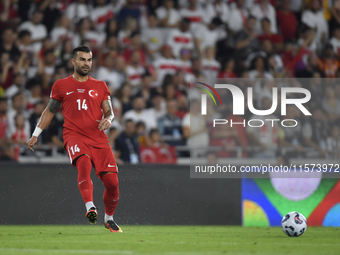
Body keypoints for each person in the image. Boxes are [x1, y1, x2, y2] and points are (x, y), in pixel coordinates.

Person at [26, 45, 122, 233]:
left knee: (113, 184)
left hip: (98, 138)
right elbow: (49, 111)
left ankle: (109, 219)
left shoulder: (100, 85)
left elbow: (109, 111)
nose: (86, 63)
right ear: (73, 61)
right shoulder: (61, 85)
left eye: (89, 60)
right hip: (74, 135)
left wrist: (108, 119)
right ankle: (90, 207)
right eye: (82, 59)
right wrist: (35, 134)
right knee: (83, 165)